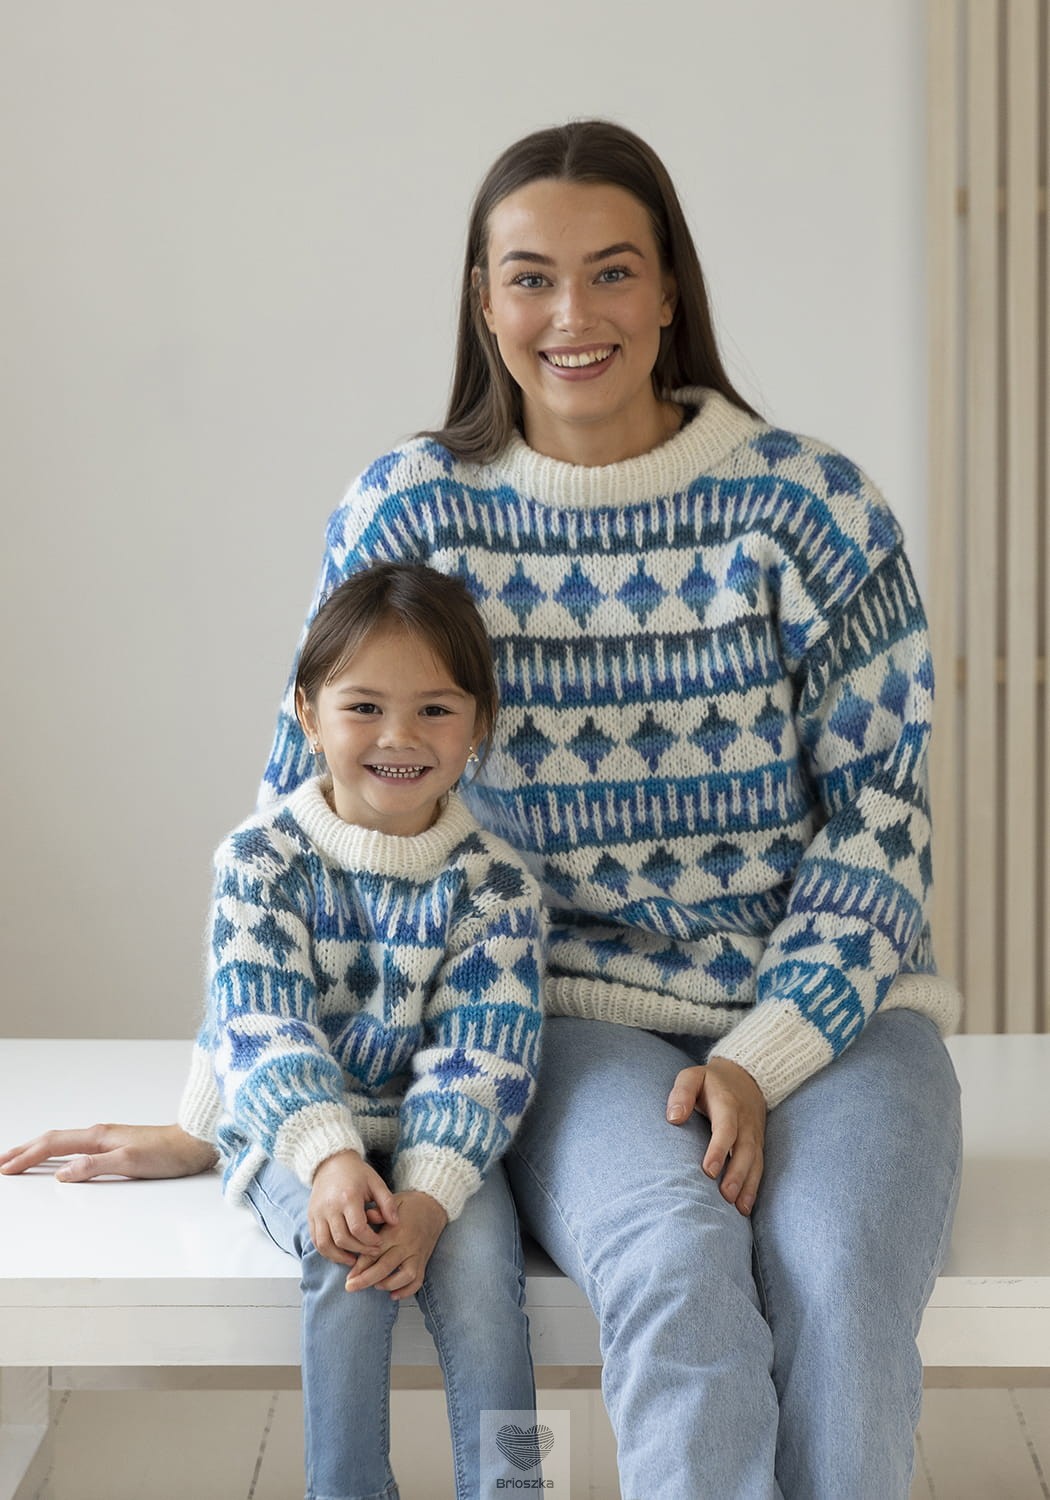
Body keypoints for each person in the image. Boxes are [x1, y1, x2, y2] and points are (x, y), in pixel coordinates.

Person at [2, 120, 962, 1500]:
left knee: (842, 1276)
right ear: (481, 300)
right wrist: (225, 1107)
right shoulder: (413, 511)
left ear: (670, 290)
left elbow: (883, 826)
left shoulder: (813, 511)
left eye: (612, 271)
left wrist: (761, 1053)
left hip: (836, 1014)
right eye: (529, 278)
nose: (572, 316)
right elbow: (302, 823)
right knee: (676, 1262)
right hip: (569, 1020)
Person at [196, 560, 543, 1500]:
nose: (399, 736)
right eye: (364, 708)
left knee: (485, 1280)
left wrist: (429, 1194)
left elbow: (486, 1056)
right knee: (341, 1252)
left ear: (479, 723)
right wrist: (329, 1158)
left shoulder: (494, 887)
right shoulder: (261, 864)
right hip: (298, 1140)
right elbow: (261, 1027)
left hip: (442, 1147)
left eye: (435, 709)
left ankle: (513, 1488)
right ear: (308, 714)